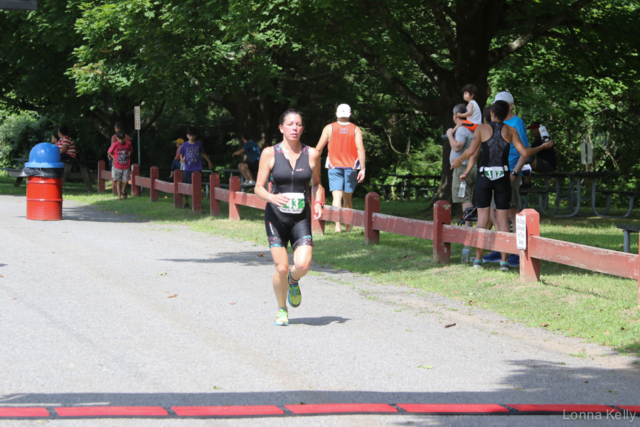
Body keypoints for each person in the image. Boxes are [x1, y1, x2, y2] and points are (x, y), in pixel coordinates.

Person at [451, 100, 553, 271]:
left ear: (491, 113)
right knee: (502, 219)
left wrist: (458, 161)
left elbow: (470, 152)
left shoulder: (481, 129)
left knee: (483, 219)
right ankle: (504, 261)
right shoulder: (510, 130)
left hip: (484, 175)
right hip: (503, 177)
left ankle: (478, 259)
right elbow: (525, 152)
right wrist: (542, 147)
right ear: (506, 115)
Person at [254, 109, 324, 326]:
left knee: (302, 265)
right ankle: (282, 309)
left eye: (299, 124)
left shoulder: (312, 154)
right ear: (281, 128)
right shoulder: (269, 153)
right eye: (291, 124)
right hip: (276, 217)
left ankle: (293, 281)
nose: (295, 128)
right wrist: (272, 198)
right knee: (281, 267)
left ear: (302, 128)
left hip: (301, 217)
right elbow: (258, 187)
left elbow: (317, 184)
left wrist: (319, 202)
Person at [483, 91, 530, 267]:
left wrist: (514, 173)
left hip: (509, 173)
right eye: (496, 103)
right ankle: (502, 247)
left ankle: (518, 252)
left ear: (510, 106)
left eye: (501, 103)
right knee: (496, 213)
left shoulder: (517, 123)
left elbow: (525, 152)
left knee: (511, 213)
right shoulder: (498, 123)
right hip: (496, 173)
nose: (497, 106)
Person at [315, 103, 365, 233]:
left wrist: (313, 165)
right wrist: (363, 169)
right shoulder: (355, 129)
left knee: (336, 197)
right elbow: (360, 149)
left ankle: (337, 226)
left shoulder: (329, 128)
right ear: (350, 114)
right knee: (347, 198)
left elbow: (319, 148)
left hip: (334, 166)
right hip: (351, 167)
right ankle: (348, 226)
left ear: (336, 114)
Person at [446, 104, 477, 227]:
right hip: (472, 166)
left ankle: (468, 230)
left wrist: (449, 134)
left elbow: (458, 146)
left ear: (455, 115)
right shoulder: (472, 128)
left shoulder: (462, 129)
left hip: (463, 168)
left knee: (465, 199)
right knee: (469, 198)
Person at [179, 127, 213, 209]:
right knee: (186, 185)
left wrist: (209, 161)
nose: (191, 137)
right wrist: (181, 159)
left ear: (196, 136)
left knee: (198, 186)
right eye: (190, 135)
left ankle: (198, 202)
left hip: (197, 168)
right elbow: (181, 154)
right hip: (187, 168)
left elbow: (203, 153)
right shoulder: (184, 145)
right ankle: (186, 202)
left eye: (193, 136)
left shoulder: (199, 144)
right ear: (187, 136)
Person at [107, 130, 133, 201]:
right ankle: (119, 197)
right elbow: (109, 152)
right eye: (120, 139)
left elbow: (131, 150)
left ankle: (123, 190)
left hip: (126, 165)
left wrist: (129, 155)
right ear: (117, 138)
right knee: (118, 181)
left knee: (126, 180)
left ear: (125, 138)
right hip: (117, 166)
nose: (121, 141)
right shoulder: (115, 144)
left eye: (122, 139)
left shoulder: (128, 144)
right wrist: (114, 158)